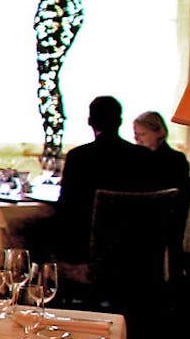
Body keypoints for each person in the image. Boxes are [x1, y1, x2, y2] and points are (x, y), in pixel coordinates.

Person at [49, 95, 151, 257]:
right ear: (119, 121)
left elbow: (67, 207)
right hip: (135, 249)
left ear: (90, 121)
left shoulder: (79, 157)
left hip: (85, 251)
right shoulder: (143, 156)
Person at [133, 110, 190, 191]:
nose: (136, 138)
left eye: (142, 134)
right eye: (135, 134)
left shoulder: (176, 160)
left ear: (159, 133)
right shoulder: (135, 158)